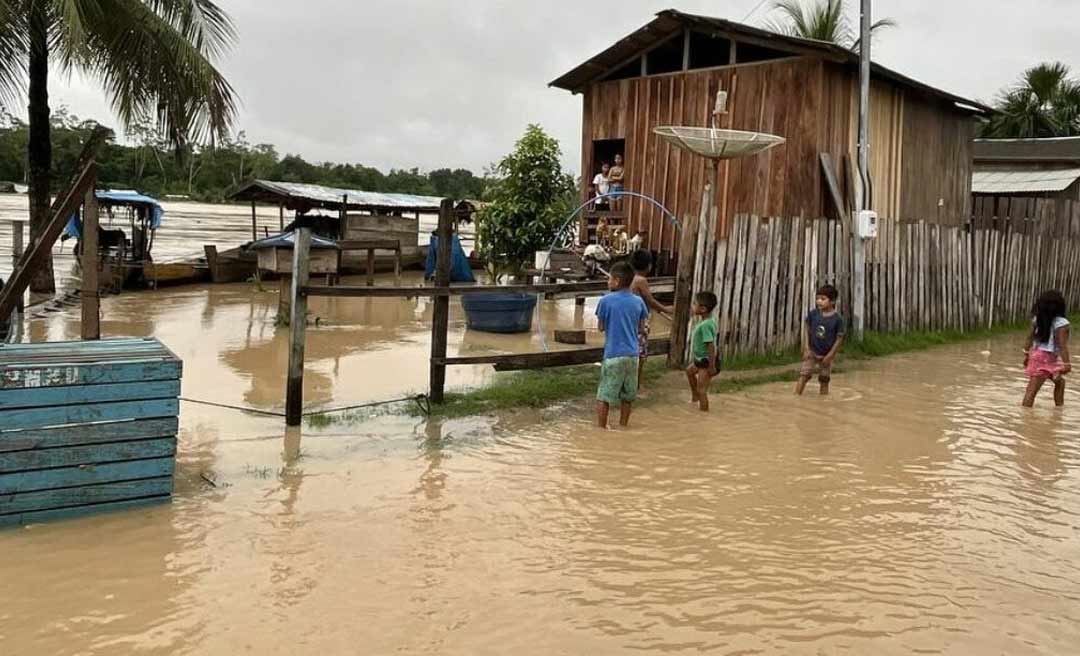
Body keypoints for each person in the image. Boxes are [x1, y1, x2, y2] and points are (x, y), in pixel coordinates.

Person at [595, 261, 649, 429]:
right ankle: (623, 426)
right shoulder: (638, 301)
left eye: (609, 278)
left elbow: (601, 327)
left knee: (604, 395)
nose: (608, 281)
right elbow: (641, 328)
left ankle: (601, 429)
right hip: (633, 356)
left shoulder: (605, 300)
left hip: (613, 355)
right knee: (628, 395)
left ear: (617, 281)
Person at [629, 249, 673, 391]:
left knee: (631, 349)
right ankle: (638, 382)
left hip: (628, 319)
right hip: (639, 320)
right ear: (649, 266)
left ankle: (631, 381)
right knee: (641, 352)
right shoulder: (641, 280)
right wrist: (666, 309)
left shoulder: (628, 278)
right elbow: (650, 300)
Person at [1023, 289, 1071, 408]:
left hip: (1038, 356)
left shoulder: (1037, 319)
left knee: (1060, 382)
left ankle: (1059, 410)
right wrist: (1067, 363)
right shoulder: (1062, 323)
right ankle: (1025, 417)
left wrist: (1026, 355)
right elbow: (1062, 345)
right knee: (1032, 390)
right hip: (1048, 358)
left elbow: (1029, 338)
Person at [796, 284, 845, 396]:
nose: (819, 301)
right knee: (804, 375)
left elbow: (839, 338)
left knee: (824, 379)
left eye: (823, 299)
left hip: (826, 355)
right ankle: (796, 395)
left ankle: (823, 400)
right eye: (817, 298)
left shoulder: (837, 319)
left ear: (832, 302)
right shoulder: (813, 314)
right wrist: (807, 348)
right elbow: (807, 330)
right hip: (812, 352)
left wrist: (831, 355)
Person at [686, 291, 719, 412]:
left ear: (703, 309)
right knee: (689, 372)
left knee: (702, 390)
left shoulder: (705, 325)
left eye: (695, 304)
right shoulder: (707, 321)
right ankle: (695, 397)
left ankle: (703, 413)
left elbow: (710, 346)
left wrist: (712, 366)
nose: (693, 306)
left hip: (706, 362)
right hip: (700, 359)